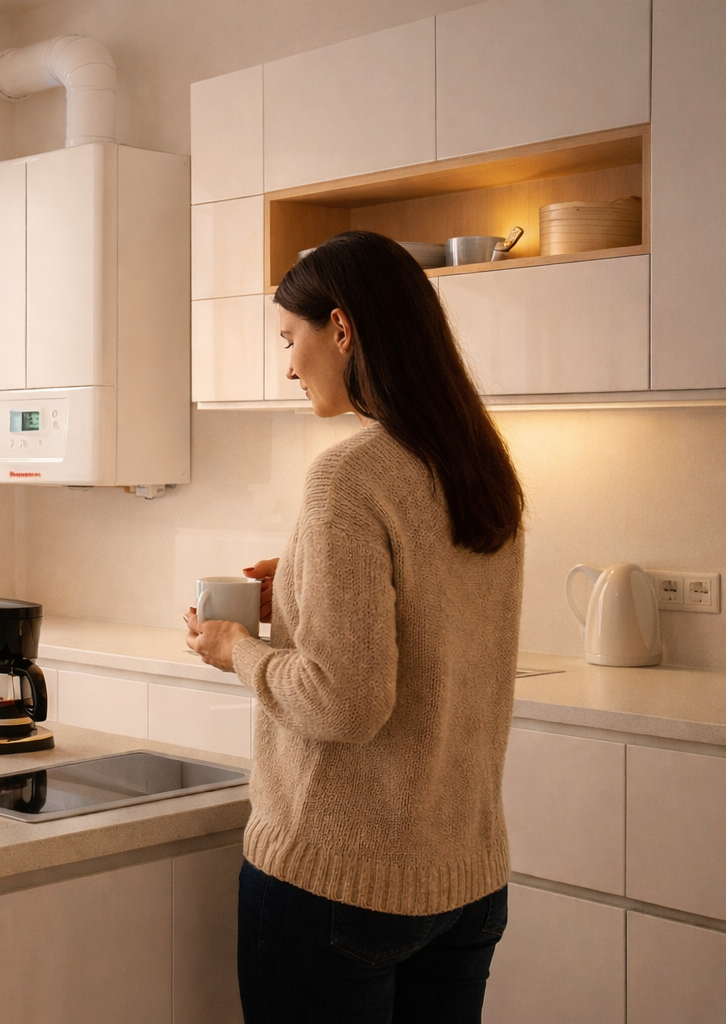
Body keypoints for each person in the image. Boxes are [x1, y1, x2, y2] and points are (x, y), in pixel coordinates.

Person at [184, 230, 526, 1023]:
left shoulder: (349, 475)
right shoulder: (479, 464)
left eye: (289, 340)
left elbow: (345, 702)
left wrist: (238, 650)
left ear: (340, 328)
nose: (289, 366)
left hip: (340, 883)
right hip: (465, 882)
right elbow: (434, 610)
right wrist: (302, 585)